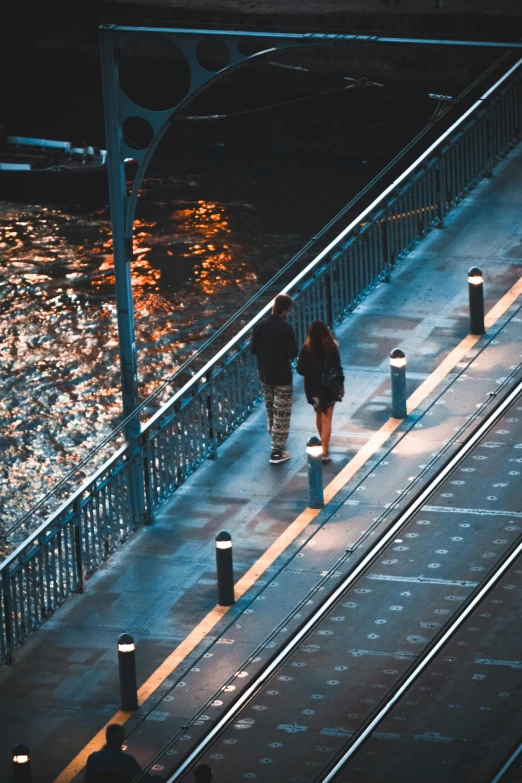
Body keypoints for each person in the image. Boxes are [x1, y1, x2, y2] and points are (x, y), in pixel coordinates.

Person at [250, 293, 298, 464]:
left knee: (270, 408)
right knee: (282, 412)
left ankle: (274, 436)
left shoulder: (260, 326)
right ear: (284, 311)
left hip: (265, 374)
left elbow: (253, 349)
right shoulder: (286, 329)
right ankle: (276, 451)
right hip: (282, 376)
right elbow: (292, 353)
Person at [296, 320, 344, 463]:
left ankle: (323, 445)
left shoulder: (306, 349)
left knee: (319, 414)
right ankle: (324, 450)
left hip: (313, 389)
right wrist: (341, 386)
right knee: (327, 418)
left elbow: (300, 370)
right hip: (328, 388)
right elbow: (338, 368)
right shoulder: (332, 348)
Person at [84, 723, 159, 782]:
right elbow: (143, 779)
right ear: (122, 739)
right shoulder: (127, 760)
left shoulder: (93, 757)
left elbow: (87, 779)